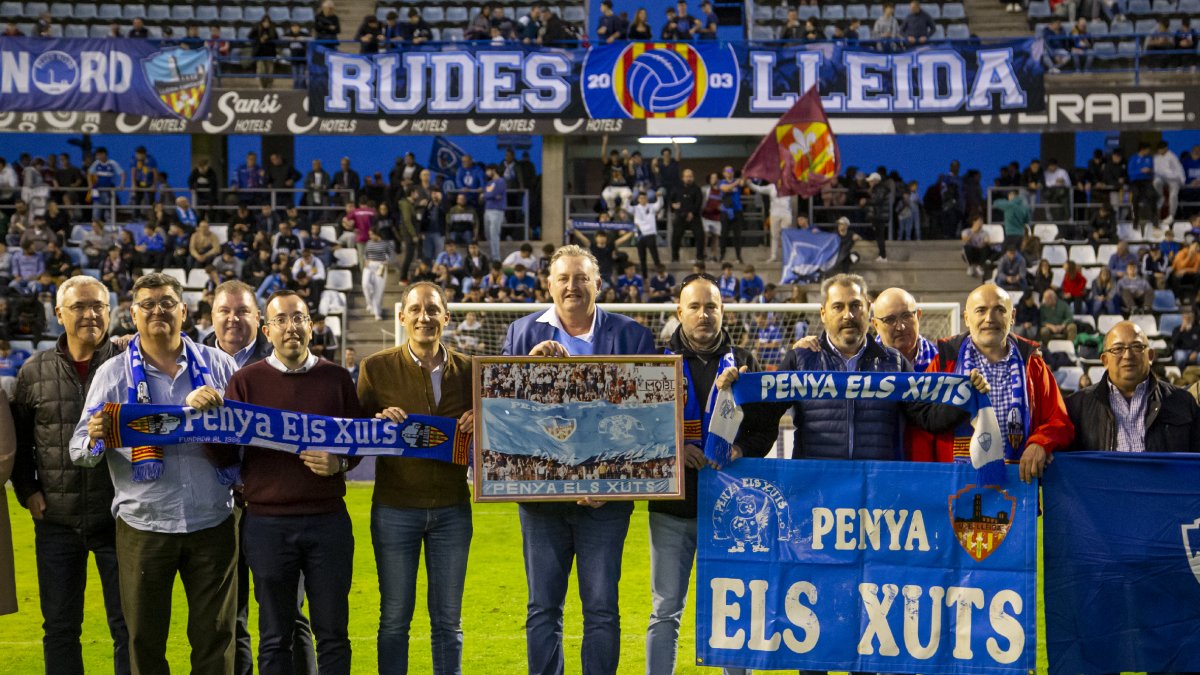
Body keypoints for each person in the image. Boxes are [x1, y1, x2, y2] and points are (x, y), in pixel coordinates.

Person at [70, 273, 239, 675]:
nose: (157, 311)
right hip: (143, 525)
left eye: (167, 303)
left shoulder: (220, 365)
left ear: (184, 311)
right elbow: (79, 450)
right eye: (147, 304)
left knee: (217, 642)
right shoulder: (112, 374)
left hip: (213, 520)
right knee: (144, 642)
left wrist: (221, 413)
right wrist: (96, 438)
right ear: (133, 315)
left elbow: (247, 435)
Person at [501, 245, 654, 675]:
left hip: (606, 501)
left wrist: (609, 484)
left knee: (602, 608)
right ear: (549, 285)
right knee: (542, 607)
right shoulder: (521, 334)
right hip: (541, 500)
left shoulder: (632, 336)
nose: (573, 286)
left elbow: (646, 421)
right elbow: (505, 415)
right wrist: (525, 372)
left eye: (582, 278)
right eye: (564, 278)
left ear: (598, 284)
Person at [209, 290, 361, 675]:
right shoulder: (245, 381)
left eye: (298, 318)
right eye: (280, 320)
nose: (290, 327)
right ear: (267, 330)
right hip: (267, 525)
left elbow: (358, 443)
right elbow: (225, 454)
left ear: (311, 326)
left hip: (328, 522)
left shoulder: (337, 378)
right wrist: (207, 418)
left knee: (333, 634)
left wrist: (340, 462)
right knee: (275, 636)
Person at [10, 276, 129, 675]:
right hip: (57, 522)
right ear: (59, 314)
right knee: (60, 628)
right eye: (79, 306)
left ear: (109, 312)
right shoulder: (34, 370)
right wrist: (27, 491)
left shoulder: (130, 364)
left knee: (128, 628)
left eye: (98, 306)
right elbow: (20, 443)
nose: (90, 314)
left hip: (119, 519)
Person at [357, 282, 474, 675]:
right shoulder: (375, 368)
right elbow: (354, 433)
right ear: (402, 317)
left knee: (448, 622)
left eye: (433, 309)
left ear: (446, 317)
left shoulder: (470, 371)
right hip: (395, 509)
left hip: (453, 510)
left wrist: (481, 419)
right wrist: (377, 423)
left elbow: (498, 428)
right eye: (416, 310)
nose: (425, 317)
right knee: (394, 619)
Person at [911, 284, 1074, 481]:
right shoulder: (944, 362)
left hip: (1019, 484)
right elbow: (923, 428)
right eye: (981, 310)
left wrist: (1040, 443)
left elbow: (1059, 421)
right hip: (955, 486)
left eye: (999, 310)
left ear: (1012, 316)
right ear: (966, 318)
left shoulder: (1033, 365)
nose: (990, 318)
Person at [1066, 320, 1200, 453]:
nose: (1128, 355)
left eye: (1137, 347)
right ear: (1105, 361)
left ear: (1150, 356)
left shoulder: (1183, 402)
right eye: (1117, 349)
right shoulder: (1076, 407)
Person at [746, 179, 792, 263]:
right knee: (774, 236)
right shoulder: (771, 187)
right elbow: (759, 189)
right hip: (774, 214)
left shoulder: (789, 186)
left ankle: (787, 256)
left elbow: (800, 188)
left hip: (786, 214)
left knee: (785, 236)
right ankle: (773, 256)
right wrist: (749, 183)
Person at [670, 169, 704, 264]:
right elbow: (671, 200)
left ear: (693, 177)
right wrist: (673, 205)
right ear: (683, 177)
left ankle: (700, 257)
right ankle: (675, 258)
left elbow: (698, 202)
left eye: (690, 176)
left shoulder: (697, 189)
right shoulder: (677, 188)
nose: (688, 178)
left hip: (694, 216)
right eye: (686, 176)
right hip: (681, 216)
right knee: (676, 237)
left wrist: (692, 212)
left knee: (700, 236)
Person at [631, 192, 662, 280]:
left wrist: (659, 197)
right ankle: (645, 278)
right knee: (642, 258)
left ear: (647, 199)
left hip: (650, 234)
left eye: (644, 198)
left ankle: (661, 275)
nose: (643, 200)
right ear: (638, 199)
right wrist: (628, 200)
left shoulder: (651, 206)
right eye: (641, 198)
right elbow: (626, 207)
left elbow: (659, 205)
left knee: (655, 256)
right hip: (639, 235)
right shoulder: (635, 208)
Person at [1153, 141, 1185, 227]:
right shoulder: (1156, 158)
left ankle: (1171, 215)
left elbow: (1179, 169)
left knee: (1173, 195)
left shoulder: (1172, 157)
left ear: (1165, 148)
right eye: (1158, 150)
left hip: (1173, 178)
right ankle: (1161, 197)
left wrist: (1182, 181)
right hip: (1161, 178)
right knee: (1156, 182)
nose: (1159, 151)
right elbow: (1155, 170)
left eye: (1161, 149)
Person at [483, 165, 507, 261]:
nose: (487, 173)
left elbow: (495, 193)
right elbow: (488, 194)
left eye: (488, 171)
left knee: (494, 234)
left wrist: (486, 195)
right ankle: (492, 255)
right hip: (487, 210)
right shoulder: (489, 183)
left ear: (493, 170)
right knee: (488, 234)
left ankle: (496, 258)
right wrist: (488, 195)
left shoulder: (501, 181)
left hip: (497, 211)